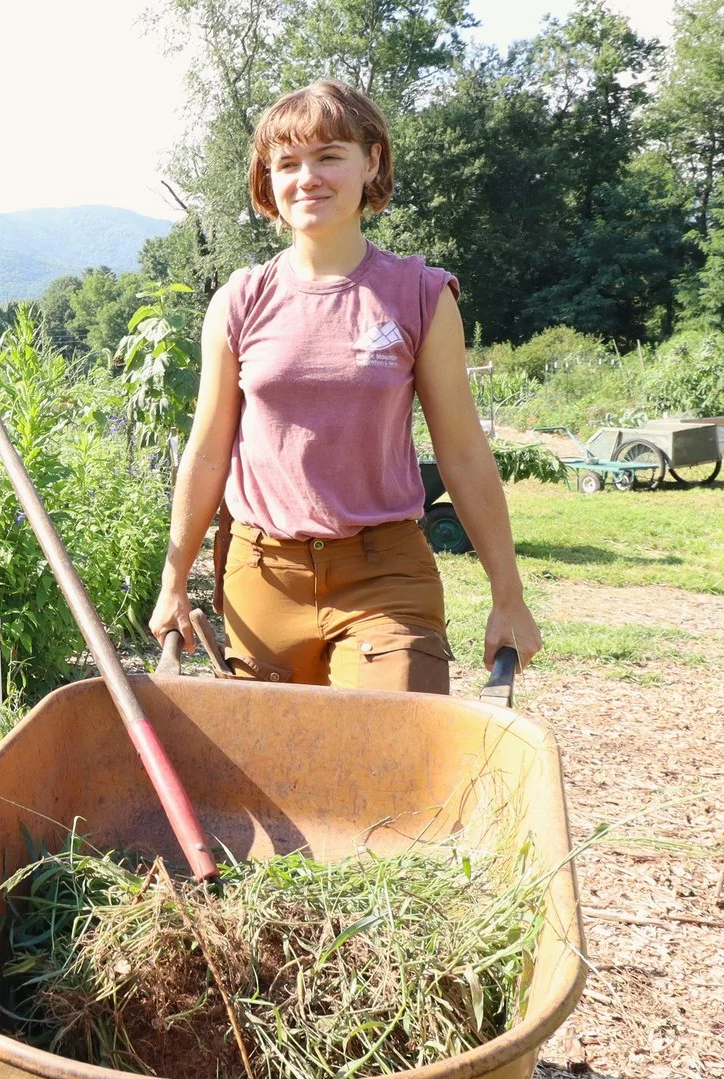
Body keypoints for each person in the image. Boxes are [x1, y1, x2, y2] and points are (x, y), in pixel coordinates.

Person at [146, 79, 541, 692]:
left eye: (329, 156)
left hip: (384, 574)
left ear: (371, 161)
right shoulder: (239, 301)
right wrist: (174, 583)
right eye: (287, 163)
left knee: (394, 740)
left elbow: (463, 452)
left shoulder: (419, 295)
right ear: (269, 179)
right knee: (274, 752)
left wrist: (508, 595)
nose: (308, 178)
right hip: (263, 576)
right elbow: (206, 452)